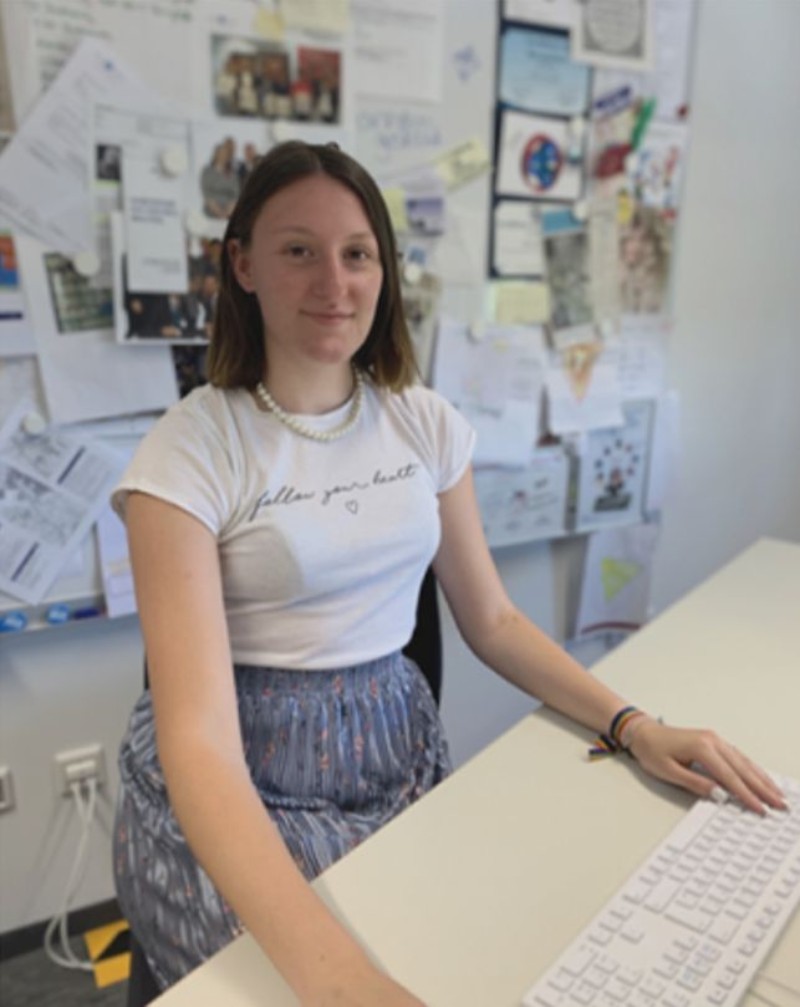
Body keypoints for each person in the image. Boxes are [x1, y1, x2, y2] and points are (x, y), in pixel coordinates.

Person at [111, 141, 785, 1006]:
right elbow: (200, 743)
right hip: (243, 780)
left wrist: (634, 725)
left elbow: (493, 620)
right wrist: (338, 981)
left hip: (394, 757)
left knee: (484, 949)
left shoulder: (423, 421)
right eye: (298, 250)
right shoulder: (189, 452)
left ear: (384, 268)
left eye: (358, 253)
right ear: (242, 264)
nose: (334, 282)